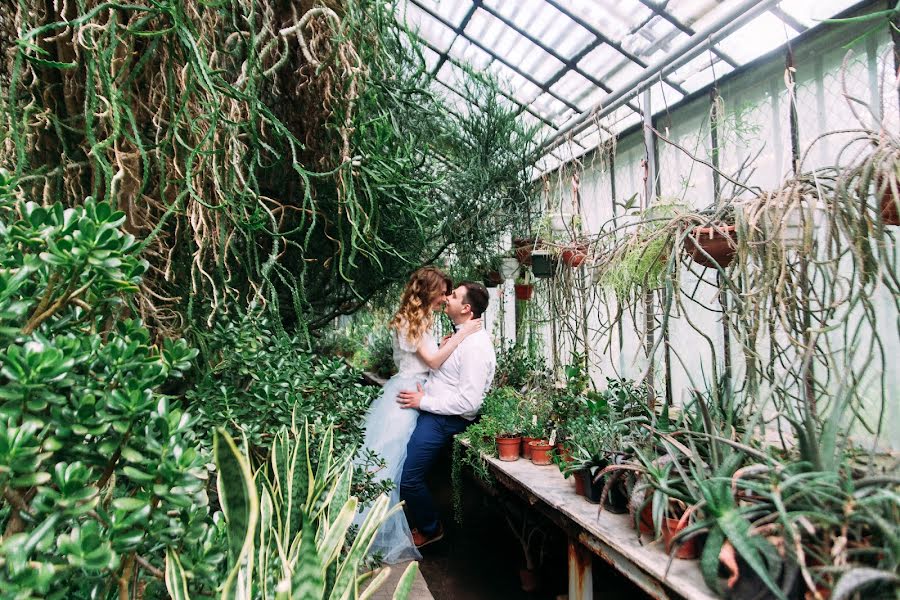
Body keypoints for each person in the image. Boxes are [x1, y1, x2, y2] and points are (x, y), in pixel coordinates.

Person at [355, 267, 482, 564]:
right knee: (390, 465)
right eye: (442, 292)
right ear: (428, 291)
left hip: (414, 389)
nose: (444, 298)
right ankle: (375, 530)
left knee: (395, 462)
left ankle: (399, 526)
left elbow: (425, 357)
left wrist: (445, 343)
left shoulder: (418, 318)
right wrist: (461, 335)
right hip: (409, 394)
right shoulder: (411, 320)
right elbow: (434, 361)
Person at [396, 281, 496, 549]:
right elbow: (445, 374)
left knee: (408, 477)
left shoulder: (476, 345)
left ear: (465, 308)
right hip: (432, 409)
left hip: (444, 419)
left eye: (453, 296)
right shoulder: (460, 336)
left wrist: (424, 401)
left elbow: (468, 402)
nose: (446, 298)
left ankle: (431, 529)